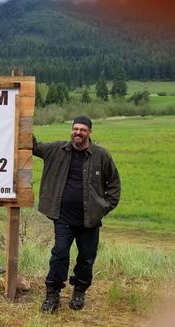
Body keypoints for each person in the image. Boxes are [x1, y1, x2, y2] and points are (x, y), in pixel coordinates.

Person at [32, 116, 120, 312]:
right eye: (75, 129)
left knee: (86, 258)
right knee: (59, 253)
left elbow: (114, 185)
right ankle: (52, 294)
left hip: (89, 220)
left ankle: (79, 291)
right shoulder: (57, 150)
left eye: (82, 129)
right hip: (62, 217)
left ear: (90, 132)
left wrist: (103, 208)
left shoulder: (101, 155)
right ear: (71, 130)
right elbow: (33, 146)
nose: (78, 132)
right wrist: (18, 120)